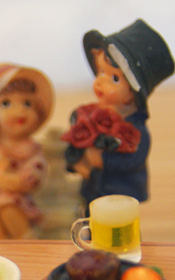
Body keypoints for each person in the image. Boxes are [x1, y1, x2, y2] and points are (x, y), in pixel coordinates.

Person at [63, 19, 174, 214]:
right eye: (101, 72)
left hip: (120, 194)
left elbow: (132, 161)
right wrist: (78, 158)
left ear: (133, 94)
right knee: (89, 219)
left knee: (116, 225)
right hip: (93, 189)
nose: (100, 82)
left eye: (114, 79)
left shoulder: (136, 131)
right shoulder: (92, 114)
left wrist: (101, 159)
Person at [0, 63, 54, 239]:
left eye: (27, 104)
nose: (19, 111)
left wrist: (17, 181)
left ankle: (26, 245)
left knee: (9, 211)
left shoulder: (30, 150)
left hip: (15, 201)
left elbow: (37, 171)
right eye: (6, 104)